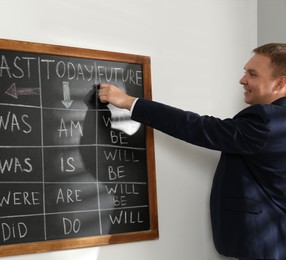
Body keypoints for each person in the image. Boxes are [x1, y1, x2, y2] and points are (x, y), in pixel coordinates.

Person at [98, 43, 286, 260]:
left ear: (280, 82)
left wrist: (129, 102)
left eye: (252, 74)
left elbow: (198, 127)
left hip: (265, 246)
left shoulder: (267, 120)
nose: (242, 80)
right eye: (245, 71)